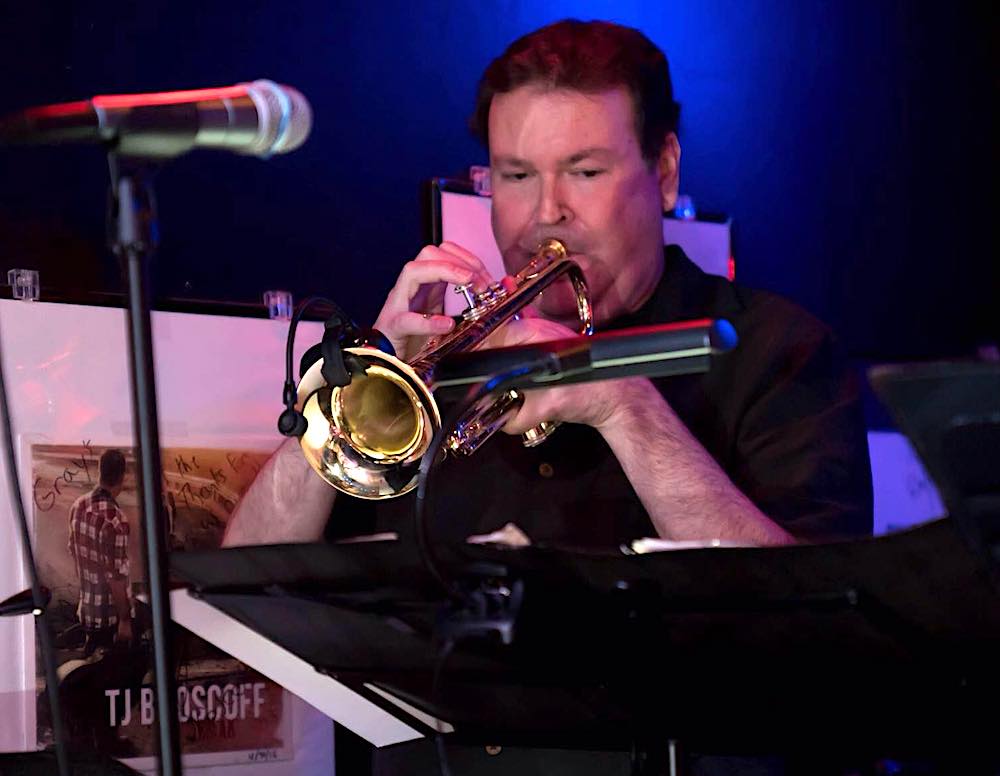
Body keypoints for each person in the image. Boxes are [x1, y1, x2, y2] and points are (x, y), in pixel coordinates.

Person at [224, 19, 872, 551]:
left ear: (665, 172)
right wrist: (353, 387)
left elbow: (809, 612)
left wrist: (624, 404)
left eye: (585, 172)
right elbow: (247, 576)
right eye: (516, 176)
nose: (546, 213)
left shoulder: (778, 351)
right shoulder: (439, 364)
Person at [68, 448, 133, 657]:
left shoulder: (78, 505)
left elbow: (73, 550)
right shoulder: (116, 520)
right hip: (109, 619)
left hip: (85, 612)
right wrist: (124, 620)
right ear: (123, 476)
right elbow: (116, 577)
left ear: (100, 471)